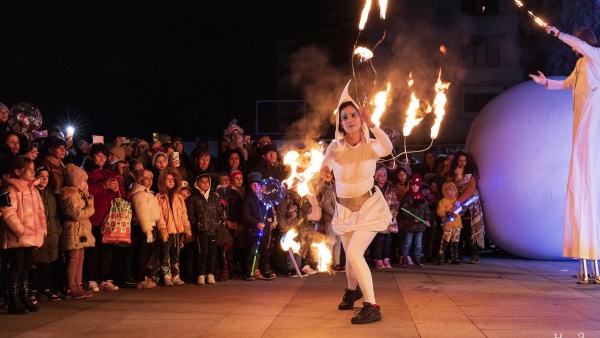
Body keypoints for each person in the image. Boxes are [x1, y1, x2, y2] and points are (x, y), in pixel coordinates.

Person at [320, 81, 393, 324]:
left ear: (360, 118)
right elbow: (328, 160)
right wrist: (325, 169)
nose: (350, 119)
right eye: (345, 117)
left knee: (353, 253)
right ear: (340, 123)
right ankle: (353, 290)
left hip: (369, 208)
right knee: (350, 257)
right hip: (344, 208)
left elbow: (388, 147)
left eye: (354, 115)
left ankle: (372, 305)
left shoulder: (371, 145)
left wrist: (372, 123)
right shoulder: (336, 146)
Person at [529, 26, 600, 265]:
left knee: (588, 151)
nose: (573, 48)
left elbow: (579, 46)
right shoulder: (580, 65)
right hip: (580, 114)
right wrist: (545, 82)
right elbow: (568, 84)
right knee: (579, 158)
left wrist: (558, 34)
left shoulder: (594, 55)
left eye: (575, 43)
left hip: (593, 109)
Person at [1, 157, 47, 314]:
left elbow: (41, 212)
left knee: (25, 267)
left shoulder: (33, 190)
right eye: (29, 169)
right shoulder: (12, 189)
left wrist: (41, 229)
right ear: (17, 171)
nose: (32, 172)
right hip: (17, 237)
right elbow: (8, 212)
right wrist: (20, 230)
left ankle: (24, 297)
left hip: (31, 235)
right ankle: (13, 300)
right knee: (16, 267)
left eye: (33, 169)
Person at [83, 143, 126, 292]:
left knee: (107, 251)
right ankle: (90, 279)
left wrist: (117, 188)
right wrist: (104, 186)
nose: (101, 158)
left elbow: (122, 194)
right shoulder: (86, 173)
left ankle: (104, 279)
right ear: (92, 156)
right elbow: (87, 191)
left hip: (109, 218)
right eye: (98, 155)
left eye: (104, 155)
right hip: (93, 216)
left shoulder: (110, 173)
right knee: (93, 251)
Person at [59, 164, 95, 299]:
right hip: (73, 230)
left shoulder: (79, 195)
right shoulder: (69, 195)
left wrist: (87, 199)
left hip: (81, 231)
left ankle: (78, 284)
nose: (85, 184)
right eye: (83, 181)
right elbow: (77, 214)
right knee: (73, 259)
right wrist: (90, 207)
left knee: (80, 258)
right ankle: (71, 286)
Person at [445, 151, 484, 264]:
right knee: (457, 230)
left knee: (469, 230)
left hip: (469, 205)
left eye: (464, 161)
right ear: (457, 161)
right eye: (460, 161)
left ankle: (474, 254)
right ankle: (457, 255)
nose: (462, 163)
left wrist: (459, 201)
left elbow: (470, 190)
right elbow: (449, 186)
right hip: (454, 205)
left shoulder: (470, 176)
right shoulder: (452, 175)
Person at [187, 173, 225, 285]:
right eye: (202, 182)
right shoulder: (193, 198)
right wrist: (196, 224)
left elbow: (220, 210)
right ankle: (201, 274)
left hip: (213, 228)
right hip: (202, 229)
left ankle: (210, 273)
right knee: (203, 252)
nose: (205, 184)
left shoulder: (214, 197)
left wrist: (220, 220)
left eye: (207, 182)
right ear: (197, 184)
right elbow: (190, 213)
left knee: (212, 252)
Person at [32, 165, 62, 301]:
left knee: (48, 261)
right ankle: (33, 288)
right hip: (37, 232)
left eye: (47, 176)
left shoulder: (50, 194)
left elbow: (55, 215)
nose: (44, 179)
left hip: (51, 233)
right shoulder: (32, 193)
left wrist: (57, 230)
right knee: (35, 261)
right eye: (41, 176)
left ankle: (47, 288)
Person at [156, 168, 191, 287]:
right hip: (167, 230)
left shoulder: (179, 197)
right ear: (162, 181)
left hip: (178, 231)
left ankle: (175, 275)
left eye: (173, 180)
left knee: (176, 254)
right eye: (168, 179)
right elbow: (159, 215)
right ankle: (166, 275)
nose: (171, 182)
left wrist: (186, 227)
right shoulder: (159, 197)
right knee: (165, 254)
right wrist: (162, 228)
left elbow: (183, 213)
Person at [126, 169, 159, 290]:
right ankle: (139, 278)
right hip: (143, 227)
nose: (150, 181)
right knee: (142, 253)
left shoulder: (148, 193)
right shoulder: (139, 194)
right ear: (140, 179)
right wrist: (147, 230)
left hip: (150, 226)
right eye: (146, 178)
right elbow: (142, 213)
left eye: (151, 178)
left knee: (146, 253)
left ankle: (144, 276)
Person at [242, 172, 276, 281]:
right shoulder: (248, 199)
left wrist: (270, 218)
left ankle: (265, 270)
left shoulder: (265, 198)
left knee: (264, 252)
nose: (256, 187)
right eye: (253, 185)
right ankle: (249, 272)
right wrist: (256, 223)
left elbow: (270, 211)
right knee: (252, 252)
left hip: (265, 230)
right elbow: (246, 215)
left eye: (258, 185)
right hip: (254, 230)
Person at [400, 174, 430, 267]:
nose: (415, 187)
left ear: (419, 186)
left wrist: (427, 220)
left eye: (417, 185)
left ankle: (417, 258)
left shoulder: (423, 199)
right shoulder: (407, 197)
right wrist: (412, 219)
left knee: (418, 243)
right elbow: (403, 210)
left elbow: (427, 211)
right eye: (413, 185)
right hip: (410, 226)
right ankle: (404, 258)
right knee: (407, 243)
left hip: (420, 226)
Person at [437, 182, 463, 265]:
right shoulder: (443, 201)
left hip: (457, 225)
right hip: (448, 224)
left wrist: (463, 210)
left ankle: (454, 256)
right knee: (445, 240)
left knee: (456, 241)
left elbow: (461, 213)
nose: (452, 192)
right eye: (450, 190)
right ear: (445, 192)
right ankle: (441, 256)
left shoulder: (458, 201)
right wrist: (447, 213)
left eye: (454, 190)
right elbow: (439, 212)